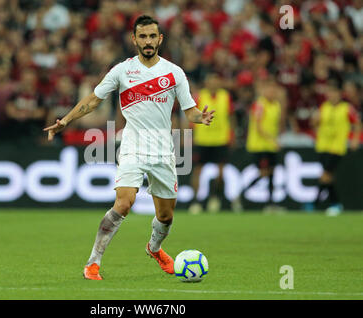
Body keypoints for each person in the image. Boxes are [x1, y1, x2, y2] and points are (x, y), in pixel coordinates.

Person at [44, 15, 215, 280]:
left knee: (166, 217)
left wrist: (199, 118)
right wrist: (65, 120)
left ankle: (155, 248)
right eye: (142, 36)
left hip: (163, 151)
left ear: (160, 39)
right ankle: (93, 263)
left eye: (152, 36)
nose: (148, 41)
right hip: (133, 145)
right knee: (123, 203)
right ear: (134, 39)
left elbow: (189, 110)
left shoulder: (174, 72)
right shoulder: (122, 71)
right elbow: (93, 100)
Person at [309, 79, 361, 215]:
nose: (332, 95)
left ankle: (315, 203)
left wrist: (355, 139)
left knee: (326, 174)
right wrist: (314, 121)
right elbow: (314, 124)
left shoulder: (346, 108)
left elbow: (357, 124)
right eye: (329, 92)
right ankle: (335, 204)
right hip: (322, 146)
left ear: (339, 94)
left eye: (334, 92)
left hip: (337, 147)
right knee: (328, 176)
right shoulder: (323, 107)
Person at [188, 72, 236, 214]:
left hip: (221, 139)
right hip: (202, 139)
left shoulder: (225, 96)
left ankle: (215, 198)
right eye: (211, 81)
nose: (214, 84)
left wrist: (231, 135)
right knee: (198, 171)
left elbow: (231, 116)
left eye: (216, 81)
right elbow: (191, 115)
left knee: (221, 172)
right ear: (207, 83)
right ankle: (195, 201)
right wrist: (189, 134)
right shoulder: (199, 96)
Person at [236, 77, 284, 212]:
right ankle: (241, 194)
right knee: (264, 173)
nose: (272, 92)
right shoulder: (260, 104)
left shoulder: (276, 105)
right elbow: (258, 127)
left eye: (274, 90)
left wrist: (276, 138)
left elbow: (276, 125)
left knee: (271, 174)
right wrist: (273, 140)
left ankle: (270, 203)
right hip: (259, 146)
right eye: (270, 89)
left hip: (271, 146)